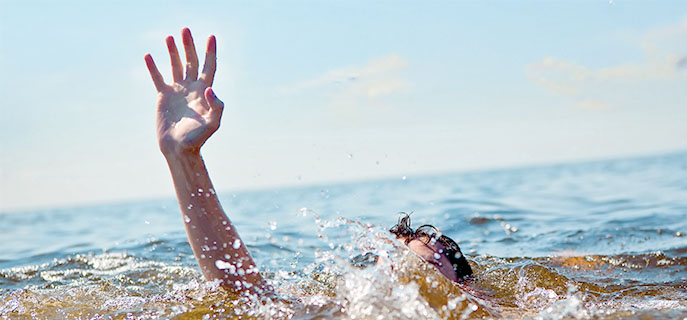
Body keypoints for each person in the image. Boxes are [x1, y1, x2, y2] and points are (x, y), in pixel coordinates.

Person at [144, 28, 471, 297]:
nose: (405, 276)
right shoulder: (342, 318)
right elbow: (246, 296)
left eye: (427, 267)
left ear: (468, 291)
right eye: (395, 266)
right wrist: (182, 159)